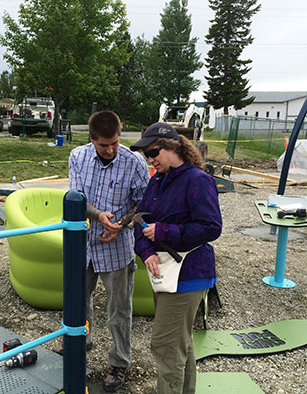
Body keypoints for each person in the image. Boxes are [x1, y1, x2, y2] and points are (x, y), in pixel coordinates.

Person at [130, 122, 222, 394]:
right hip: (167, 273)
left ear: (172, 147)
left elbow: (211, 227)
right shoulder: (157, 180)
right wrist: (146, 252)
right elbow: (140, 220)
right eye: (147, 154)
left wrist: (165, 231)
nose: (150, 159)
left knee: (165, 344)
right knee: (181, 343)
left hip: (190, 274)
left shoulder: (197, 180)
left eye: (154, 152)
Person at [68, 110, 150, 392]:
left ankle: (119, 362)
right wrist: (97, 214)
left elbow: (145, 204)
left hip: (117, 249)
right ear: (92, 140)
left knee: (119, 310)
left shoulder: (134, 162)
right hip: (83, 244)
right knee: (78, 299)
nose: (111, 149)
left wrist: (121, 224)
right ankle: (80, 340)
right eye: (104, 145)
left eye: (115, 142)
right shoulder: (78, 157)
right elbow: (75, 198)